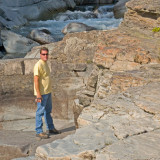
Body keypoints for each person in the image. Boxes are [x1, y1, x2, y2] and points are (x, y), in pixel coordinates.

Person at [34, 47, 61, 139]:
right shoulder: (38, 65)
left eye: (46, 54)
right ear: (40, 55)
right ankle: (39, 131)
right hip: (42, 93)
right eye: (43, 54)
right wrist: (38, 94)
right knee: (40, 112)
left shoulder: (45, 63)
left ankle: (50, 128)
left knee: (48, 111)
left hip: (48, 92)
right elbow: (36, 80)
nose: (45, 56)